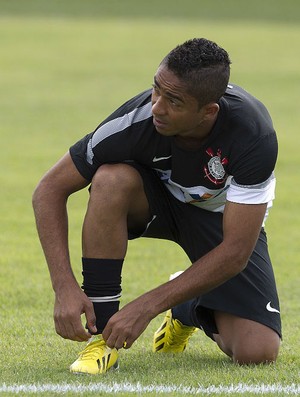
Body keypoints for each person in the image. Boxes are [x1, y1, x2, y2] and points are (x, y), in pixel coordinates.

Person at [32, 38, 281, 375]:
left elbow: (236, 251)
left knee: (257, 350)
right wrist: (63, 285)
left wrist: (149, 305)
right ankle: (101, 341)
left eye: (174, 101)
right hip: (154, 204)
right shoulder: (135, 121)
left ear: (208, 112)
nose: (157, 107)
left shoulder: (253, 136)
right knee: (110, 180)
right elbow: (49, 190)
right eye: (156, 90)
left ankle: (187, 310)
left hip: (222, 222)